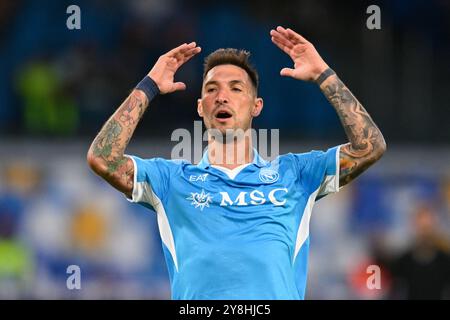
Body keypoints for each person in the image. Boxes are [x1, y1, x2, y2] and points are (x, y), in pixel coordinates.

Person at [87, 26, 386, 299]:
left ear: (256, 106)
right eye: (212, 89)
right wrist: (150, 85)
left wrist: (324, 74)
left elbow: (369, 147)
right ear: (201, 107)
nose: (222, 97)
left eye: (235, 88)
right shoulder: (171, 181)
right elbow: (103, 159)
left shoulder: (294, 174)